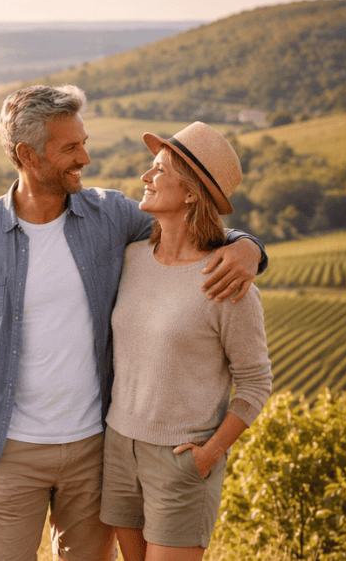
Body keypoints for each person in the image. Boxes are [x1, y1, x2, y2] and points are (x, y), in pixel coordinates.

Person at [0, 85, 267, 561]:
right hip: (9, 451)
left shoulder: (110, 216)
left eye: (84, 142)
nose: (85, 158)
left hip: (96, 449)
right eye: (70, 147)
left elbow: (191, 226)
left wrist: (249, 247)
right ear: (27, 155)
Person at [100, 122, 273, 561]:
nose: (146, 177)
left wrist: (210, 453)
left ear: (191, 193)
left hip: (182, 458)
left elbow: (256, 382)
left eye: (159, 169)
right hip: (119, 447)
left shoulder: (227, 281)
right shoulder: (132, 259)